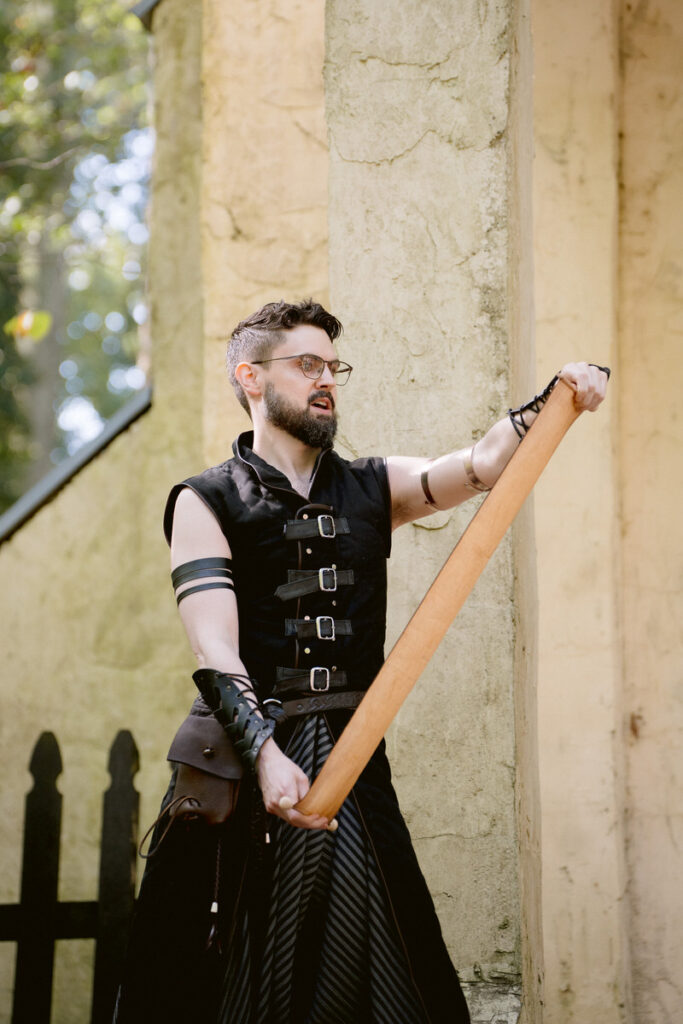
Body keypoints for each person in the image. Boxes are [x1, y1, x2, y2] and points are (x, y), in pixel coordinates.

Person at [115, 299, 608, 1024]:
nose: (326, 381)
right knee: (218, 985)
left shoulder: (371, 486)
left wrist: (552, 398)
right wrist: (265, 757)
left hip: (352, 763)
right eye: (306, 364)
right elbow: (212, 646)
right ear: (251, 377)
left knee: (389, 973)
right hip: (245, 759)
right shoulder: (205, 499)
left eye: (332, 367)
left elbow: (475, 468)